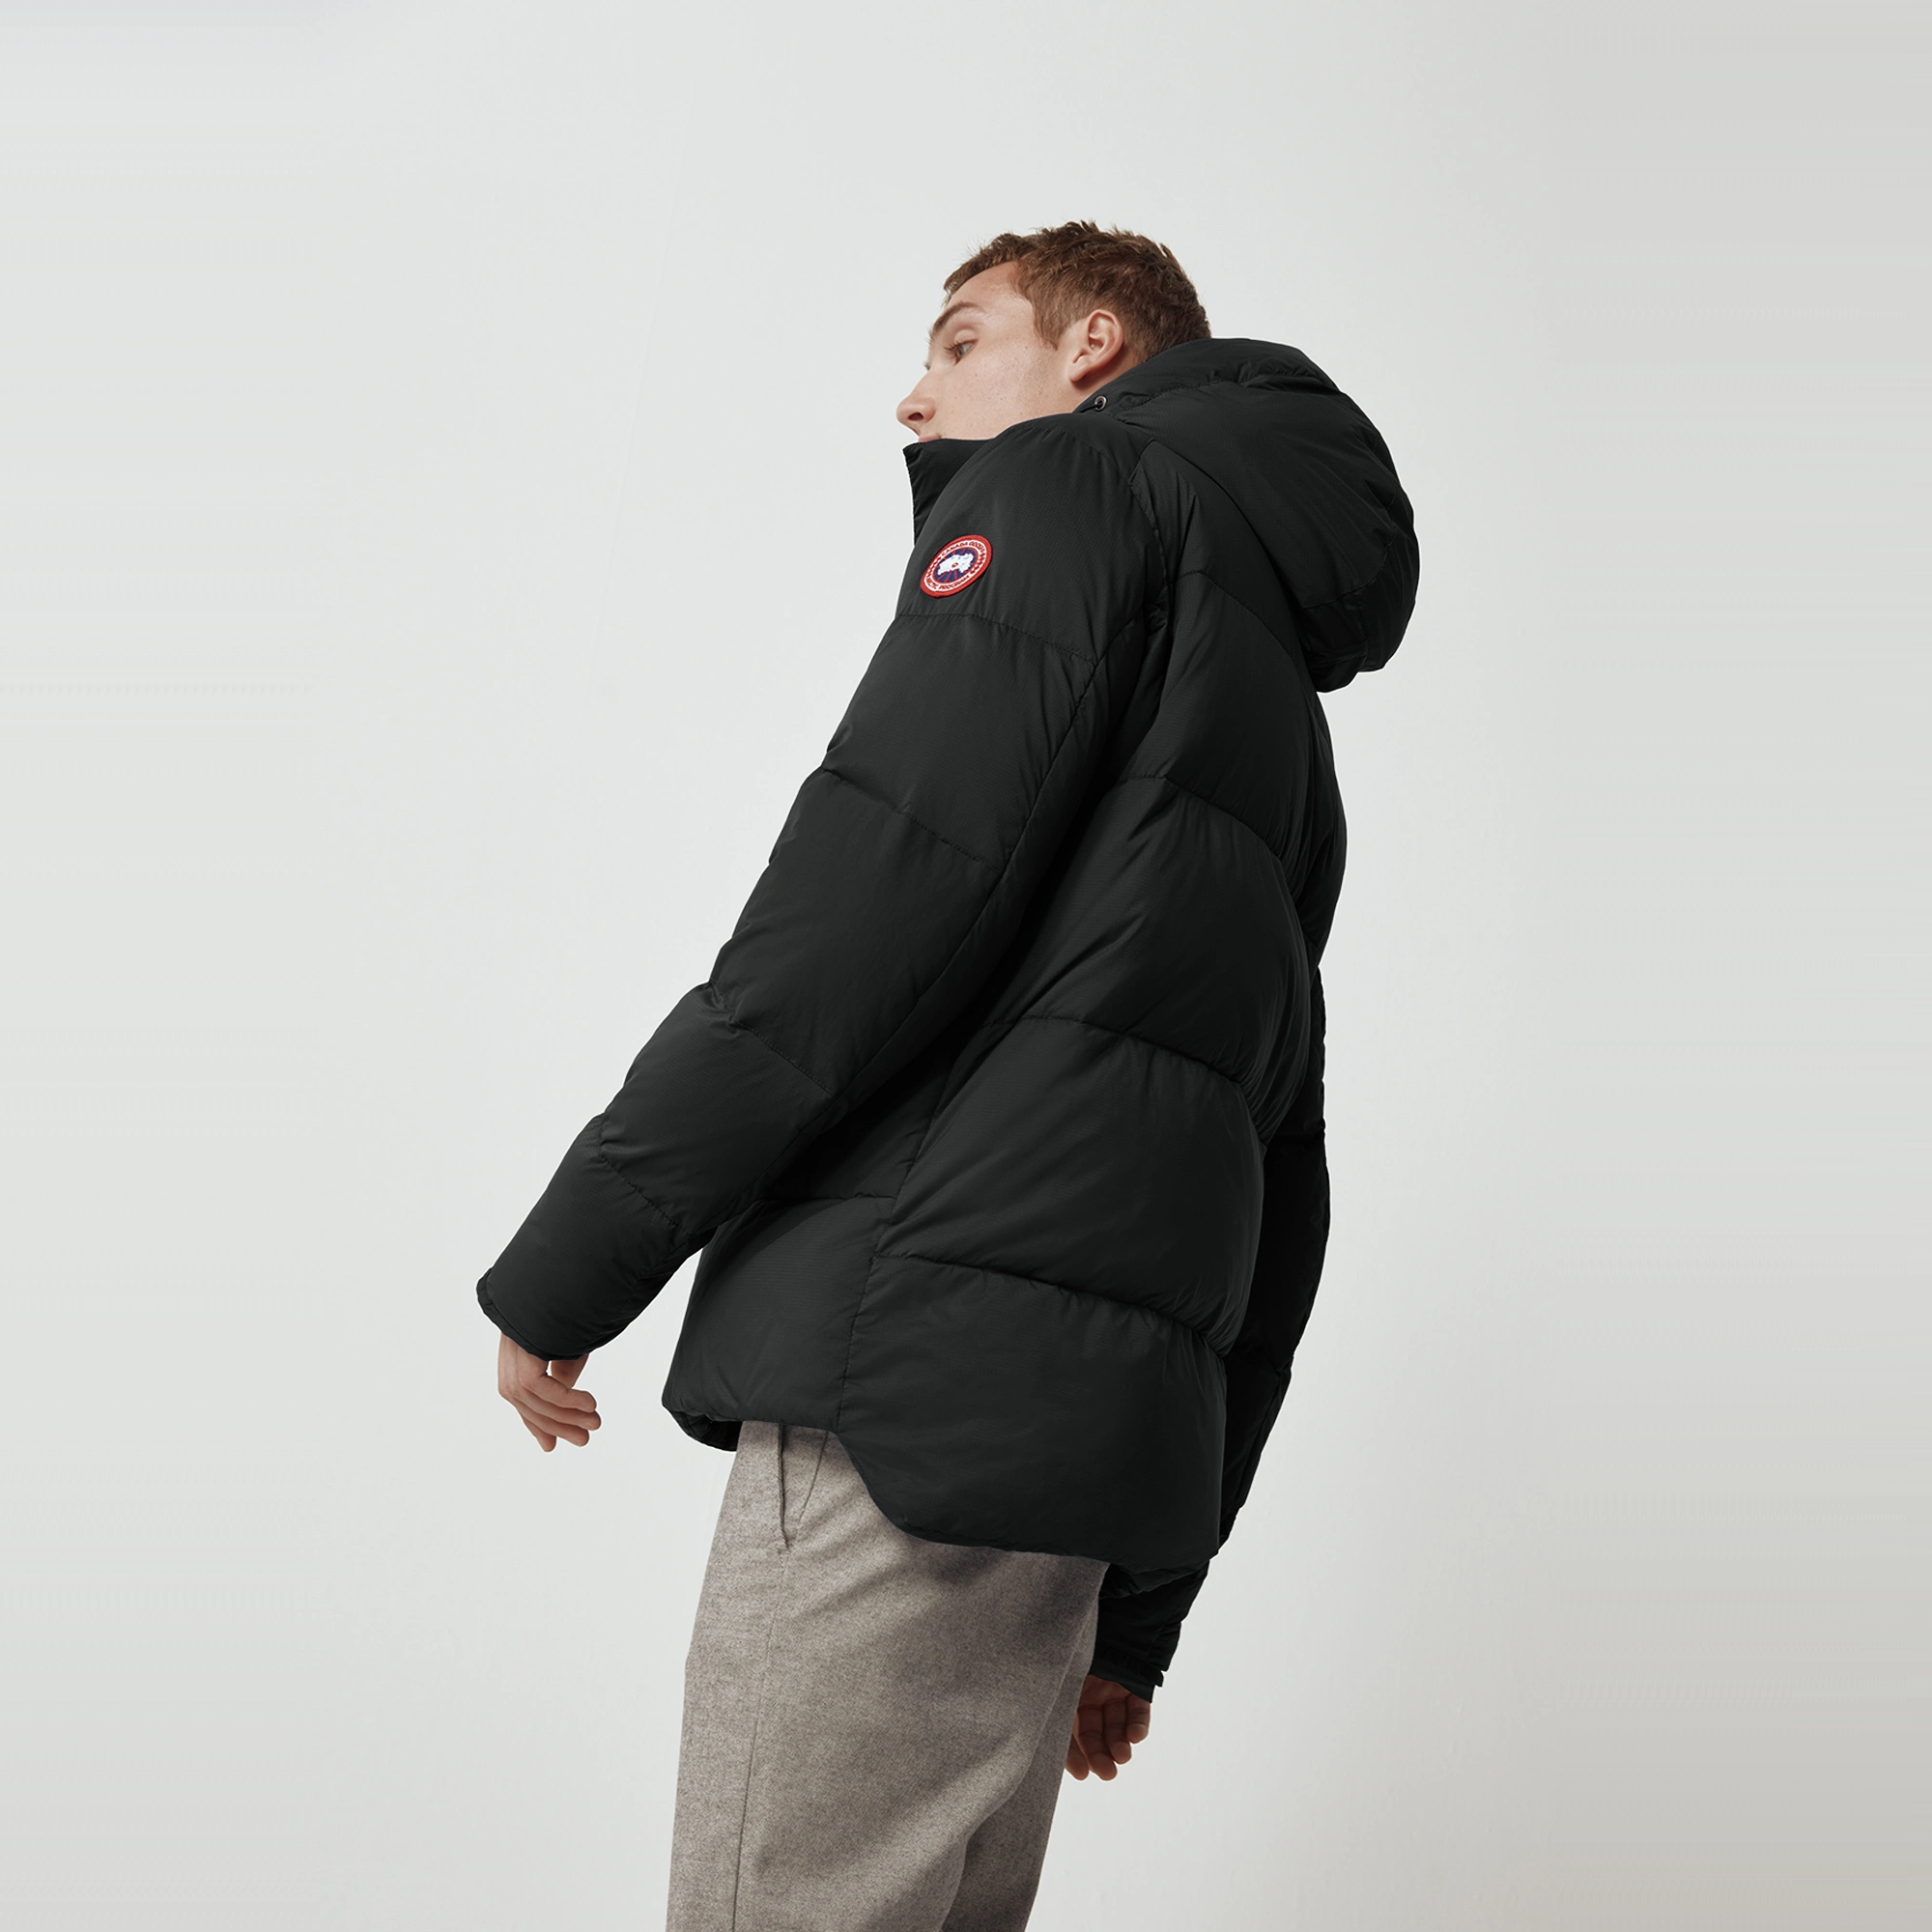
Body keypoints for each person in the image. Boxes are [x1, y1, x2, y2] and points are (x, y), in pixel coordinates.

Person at [477, 220, 1418, 1930]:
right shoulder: (1280, 721)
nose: (914, 397)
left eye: (962, 341)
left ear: (1095, 346)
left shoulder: (1065, 491)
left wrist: (574, 1262)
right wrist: (1135, 1610)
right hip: (1071, 1481)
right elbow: (1275, 1187)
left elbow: (855, 920)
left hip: (899, 1401)